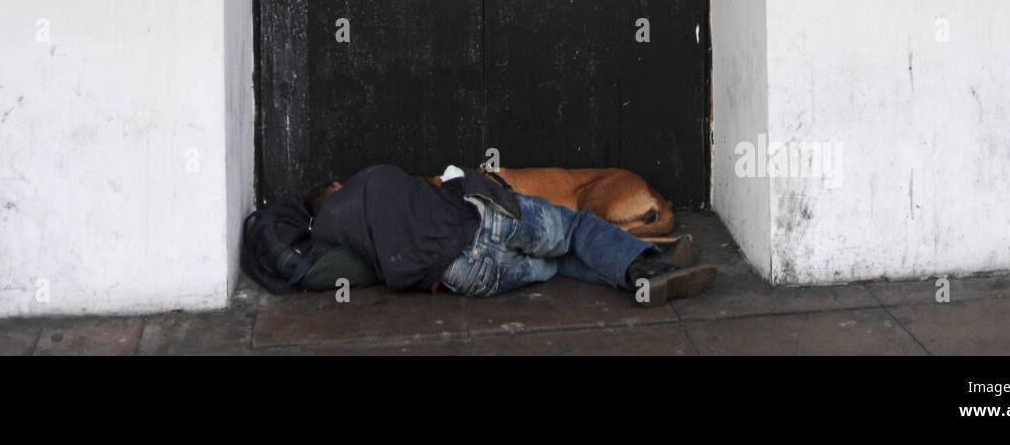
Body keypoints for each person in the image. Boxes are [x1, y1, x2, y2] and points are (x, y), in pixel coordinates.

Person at [306, 164, 716, 306]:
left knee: (556, 261)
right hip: (480, 223)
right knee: (576, 227)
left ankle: (641, 276)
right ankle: (649, 264)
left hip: (467, 278)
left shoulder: (332, 237)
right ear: (339, 188)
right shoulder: (378, 178)